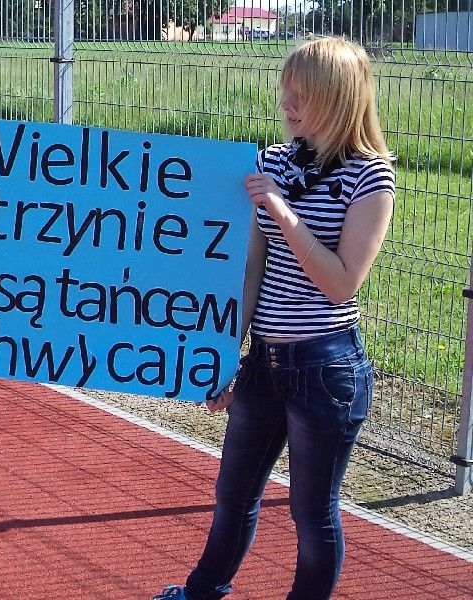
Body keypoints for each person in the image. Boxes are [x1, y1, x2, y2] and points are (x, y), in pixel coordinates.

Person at [153, 37, 395, 600]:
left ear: (337, 98)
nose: (287, 103)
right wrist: (221, 356)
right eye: (285, 90)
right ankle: (201, 591)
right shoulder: (271, 163)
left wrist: (282, 211)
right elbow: (251, 274)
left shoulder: (371, 178)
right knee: (233, 495)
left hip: (325, 366)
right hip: (264, 361)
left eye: (301, 94)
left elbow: (340, 283)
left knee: (312, 512)